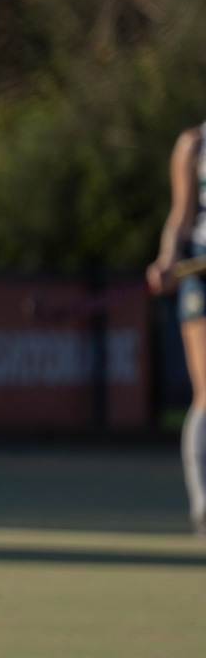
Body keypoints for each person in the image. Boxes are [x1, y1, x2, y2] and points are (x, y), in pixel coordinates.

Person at [146, 123, 206, 537]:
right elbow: (180, 218)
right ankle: (204, 504)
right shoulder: (194, 144)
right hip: (201, 276)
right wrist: (168, 258)